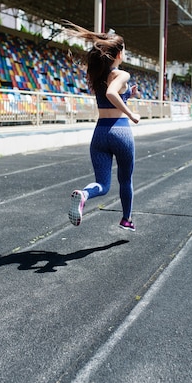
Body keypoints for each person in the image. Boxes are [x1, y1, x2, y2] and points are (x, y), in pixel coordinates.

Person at [65, 22, 141, 231]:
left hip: (100, 133)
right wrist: (131, 114)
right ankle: (126, 219)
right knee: (125, 180)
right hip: (120, 131)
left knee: (103, 185)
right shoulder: (121, 74)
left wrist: (129, 94)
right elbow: (112, 94)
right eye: (124, 50)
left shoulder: (98, 75)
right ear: (117, 54)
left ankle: (84, 194)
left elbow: (109, 95)